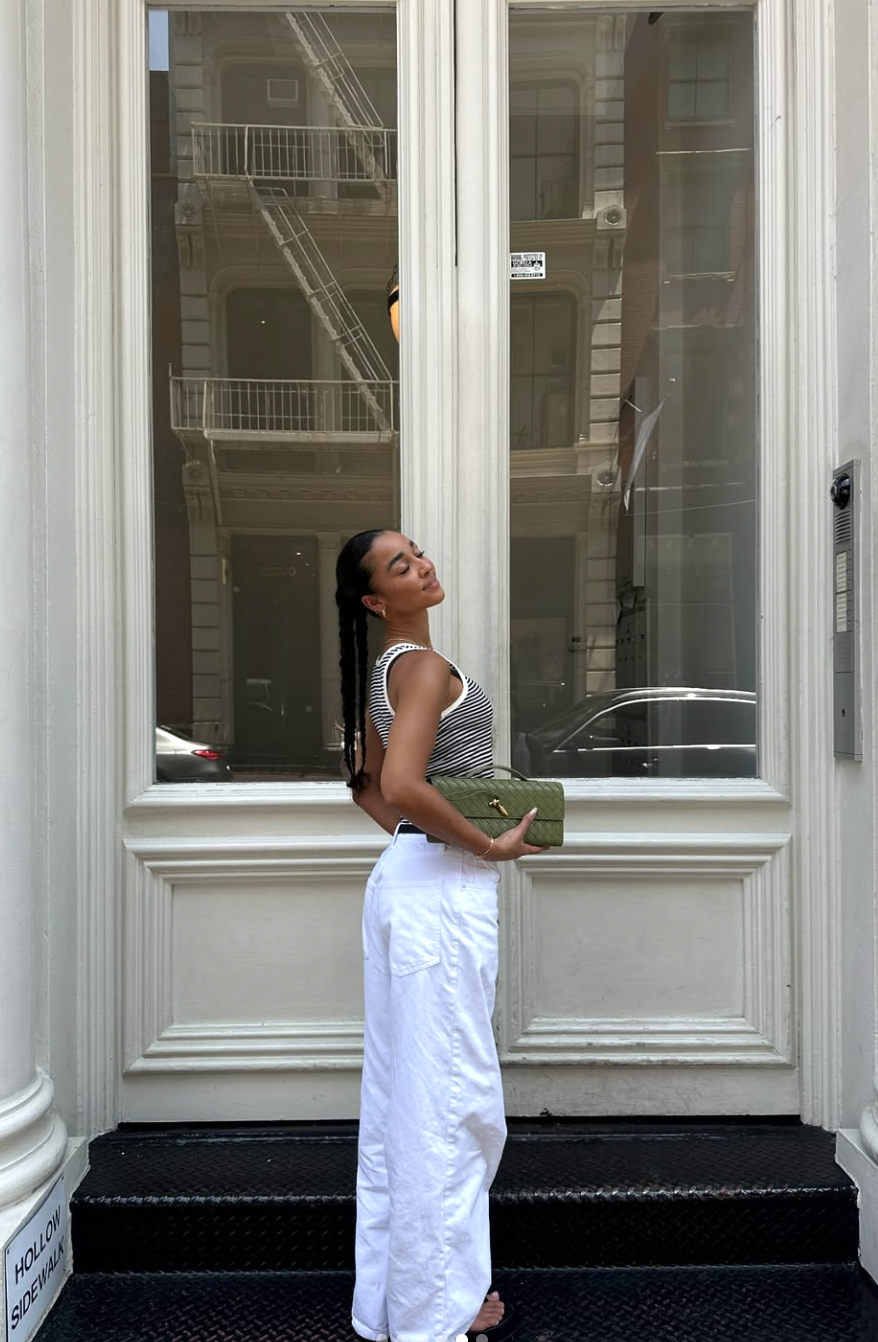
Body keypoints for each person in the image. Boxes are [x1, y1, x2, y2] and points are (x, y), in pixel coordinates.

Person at [336, 529, 545, 1342]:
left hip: (405, 882)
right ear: (374, 600)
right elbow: (396, 784)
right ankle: (438, 1318)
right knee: (451, 1105)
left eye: (416, 552)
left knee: (405, 1100)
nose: (421, 565)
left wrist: (423, 839)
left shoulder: (386, 671)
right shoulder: (420, 666)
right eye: (400, 566)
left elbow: (367, 790)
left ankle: (398, 1304)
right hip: (440, 892)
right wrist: (486, 844)